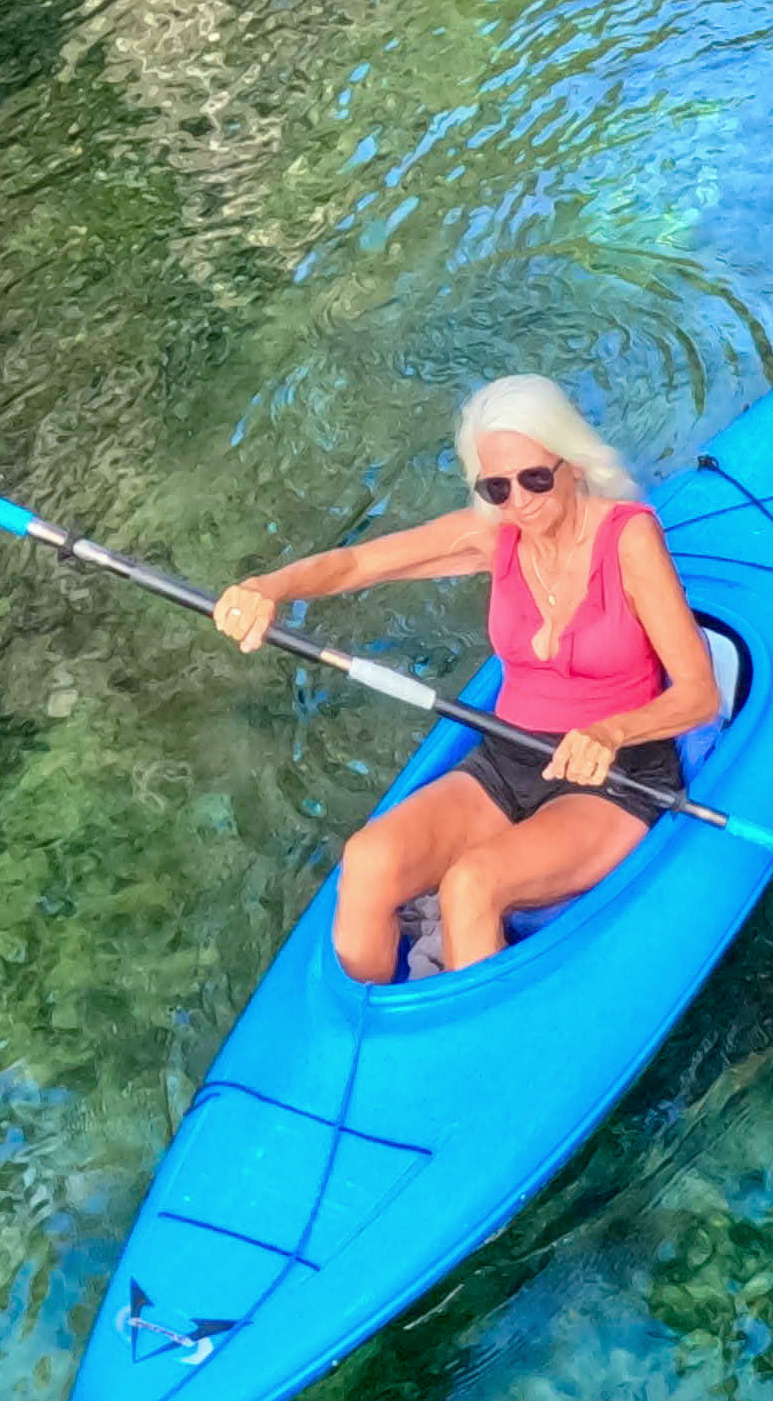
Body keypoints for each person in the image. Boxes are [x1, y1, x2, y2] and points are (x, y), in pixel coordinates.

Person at [212, 376, 725, 980]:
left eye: (535, 478)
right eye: (497, 487)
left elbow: (698, 693)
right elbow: (357, 563)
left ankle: (476, 1058)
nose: (521, 501)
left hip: (612, 774)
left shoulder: (629, 539)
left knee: (471, 885)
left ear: (573, 464)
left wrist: (610, 734)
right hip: (510, 757)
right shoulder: (496, 532)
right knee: (368, 858)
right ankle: (369, 1039)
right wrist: (267, 588)